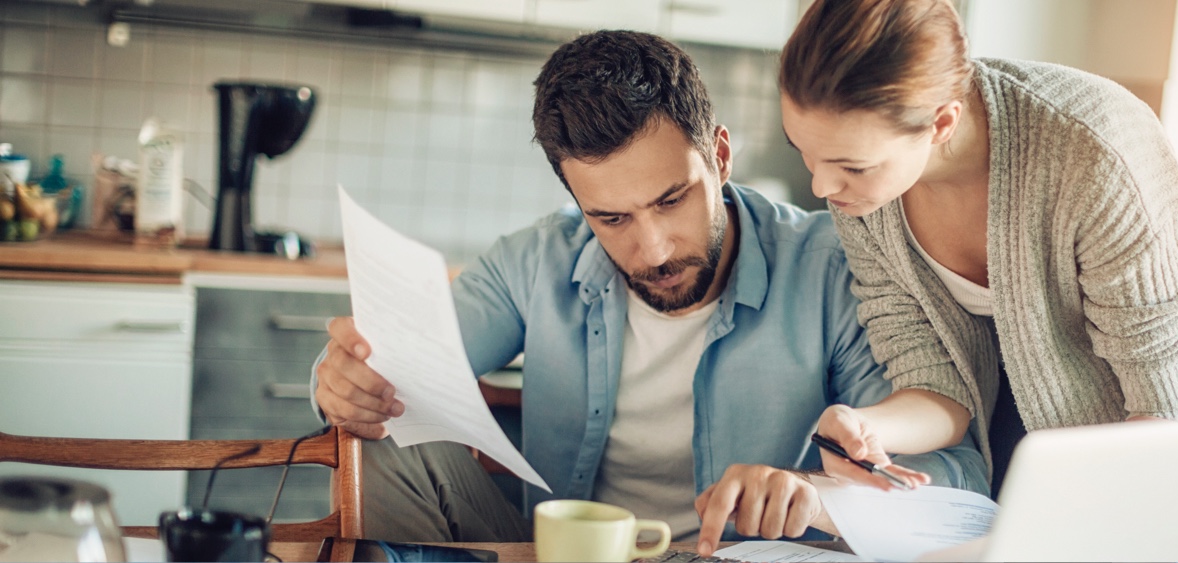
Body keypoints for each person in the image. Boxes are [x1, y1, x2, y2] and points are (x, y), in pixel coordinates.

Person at [310, 30, 986, 555]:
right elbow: (397, 364)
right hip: (552, 553)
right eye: (612, 218)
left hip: (739, 559)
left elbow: (954, 478)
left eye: (672, 199)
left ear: (719, 156)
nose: (654, 248)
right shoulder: (534, 260)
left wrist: (816, 494)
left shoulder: (831, 268)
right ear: (576, 199)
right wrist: (344, 380)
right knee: (376, 432)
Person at [774, 1, 1178, 561]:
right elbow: (935, 383)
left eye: (852, 165)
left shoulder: (1095, 152)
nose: (823, 187)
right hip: (1038, 426)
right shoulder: (867, 202)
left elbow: (1161, 414)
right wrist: (864, 425)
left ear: (941, 122)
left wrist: (1099, 528)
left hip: (1169, 419)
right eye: (806, 153)